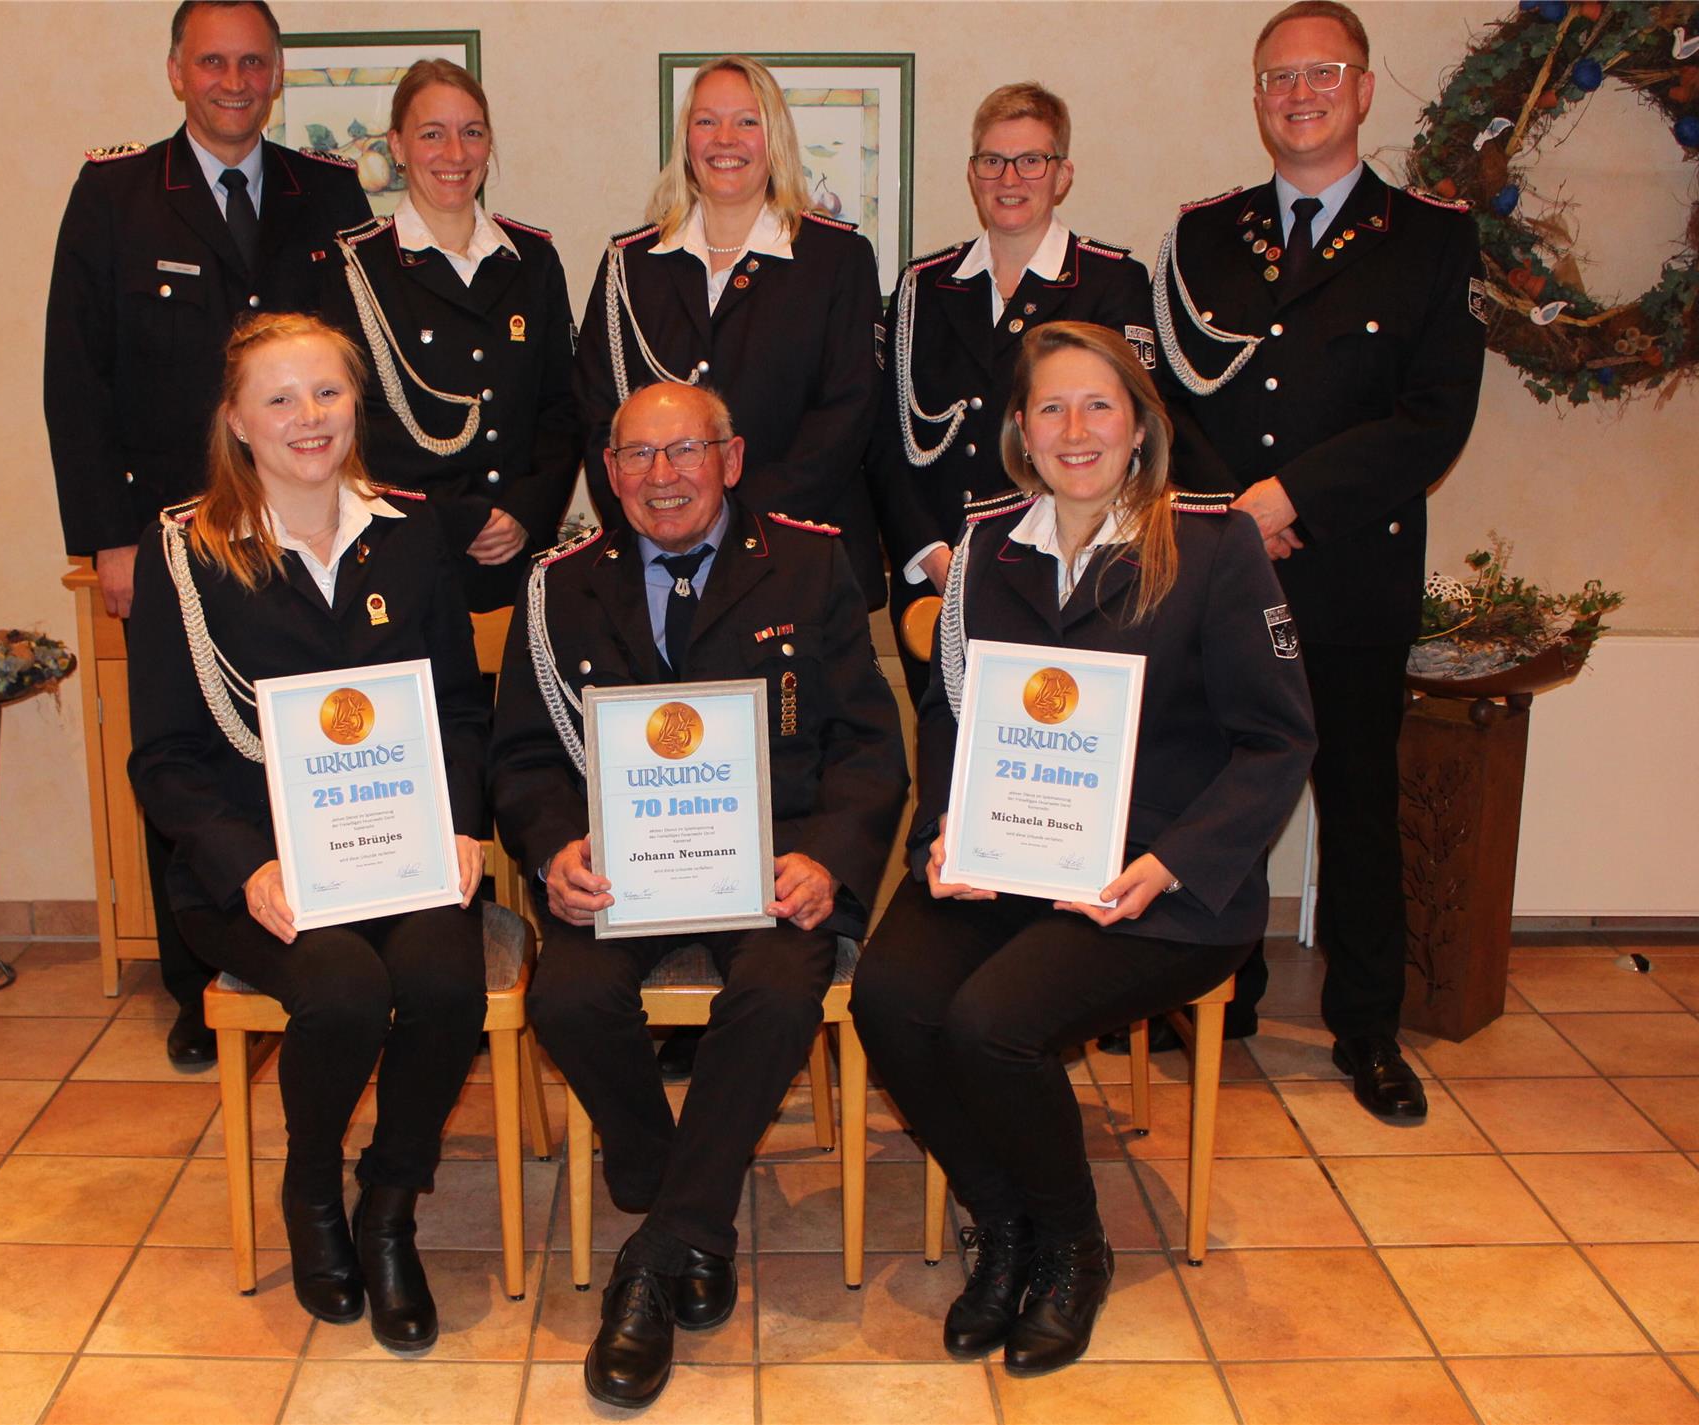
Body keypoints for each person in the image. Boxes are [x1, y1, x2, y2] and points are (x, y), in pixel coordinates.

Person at [852, 321, 1315, 1375]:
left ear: (1141, 424)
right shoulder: (982, 553)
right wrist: (942, 837)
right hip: (1009, 858)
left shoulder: (1212, 546)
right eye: (1050, 407)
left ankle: (1072, 1250)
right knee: (889, 995)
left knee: (992, 1024)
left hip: (1159, 879)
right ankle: (1005, 1219)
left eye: (1099, 405)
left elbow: (1279, 738)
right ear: (1019, 431)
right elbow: (952, 714)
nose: (1075, 429)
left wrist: (1176, 862)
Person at [490, 382, 907, 1408]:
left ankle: (653, 1257)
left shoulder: (810, 564)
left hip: (775, 870)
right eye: (636, 456)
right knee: (568, 1000)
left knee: (773, 996)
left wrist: (831, 861)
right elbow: (523, 762)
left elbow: (868, 746)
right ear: (610, 469)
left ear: (731, 456)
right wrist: (554, 856)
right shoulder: (557, 586)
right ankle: (684, 1202)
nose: (661, 476)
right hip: (623, 871)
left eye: (685, 451)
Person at [126, 312, 491, 1354]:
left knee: (441, 980)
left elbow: (459, 711)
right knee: (341, 988)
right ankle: (312, 1185)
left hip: (402, 849)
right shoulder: (187, 553)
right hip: (254, 869)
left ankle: (389, 1207)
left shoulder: (411, 532)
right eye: (279, 398)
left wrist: (461, 829)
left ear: (356, 403)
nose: (308, 417)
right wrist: (248, 869)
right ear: (236, 419)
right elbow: (163, 755)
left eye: (327, 392)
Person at [1153, 0, 1486, 1119]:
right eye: (1279, 79)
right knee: (1213, 789)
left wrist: (1292, 499)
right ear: (1257, 101)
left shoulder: (1432, 239)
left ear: (1363, 89)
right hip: (1223, 574)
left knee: (1356, 802)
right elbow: (1174, 401)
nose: (1300, 94)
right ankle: (1217, 990)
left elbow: (1433, 416)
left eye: (1322, 74)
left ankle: (1367, 1029)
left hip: (1352, 568)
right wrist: (1234, 513)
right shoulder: (1205, 236)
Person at [44, 0, 372, 1065]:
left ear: (278, 76)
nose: (235, 79)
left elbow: (358, 367)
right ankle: (199, 982)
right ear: (178, 72)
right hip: (174, 537)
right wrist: (110, 537)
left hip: (309, 525)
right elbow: (76, 377)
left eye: (254, 63)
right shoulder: (117, 195)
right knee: (182, 751)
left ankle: (324, 935)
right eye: (214, 61)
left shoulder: (329, 191)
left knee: (305, 735)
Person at [874, 82, 1156, 700]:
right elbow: (885, 437)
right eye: (992, 161)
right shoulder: (922, 287)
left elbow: (1133, 439)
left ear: (1063, 175)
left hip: (1067, 574)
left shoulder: (1112, 283)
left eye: (1032, 161)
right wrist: (931, 556)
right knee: (944, 763)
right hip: (939, 578)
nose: (1010, 177)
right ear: (973, 175)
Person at [573, 54, 887, 606]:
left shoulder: (838, 258)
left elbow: (847, 414)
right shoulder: (630, 263)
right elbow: (600, 412)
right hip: (660, 561)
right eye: (706, 121)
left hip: (800, 558)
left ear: (776, 139)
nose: (725, 139)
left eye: (747, 121)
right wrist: (666, 521)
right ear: (686, 139)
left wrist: (731, 527)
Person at [323, 59, 582, 613]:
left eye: (472, 133)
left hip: (523, 562)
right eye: (432, 134)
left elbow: (562, 406)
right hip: (409, 561)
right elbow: (360, 425)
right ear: (396, 145)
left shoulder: (532, 260)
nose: (456, 154)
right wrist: (462, 518)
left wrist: (526, 511)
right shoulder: (356, 269)